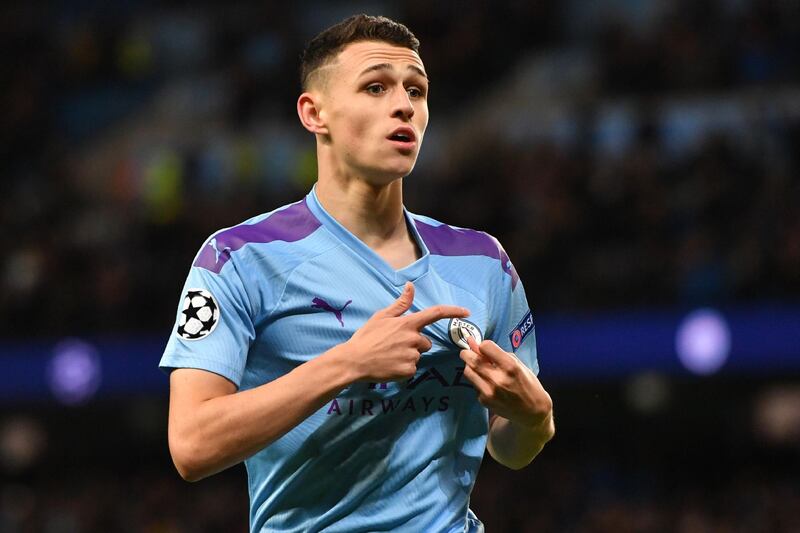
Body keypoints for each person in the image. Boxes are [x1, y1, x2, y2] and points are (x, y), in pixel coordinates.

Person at [160, 14, 554, 533]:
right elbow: (192, 445)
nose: (403, 105)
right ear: (313, 112)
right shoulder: (239, 257)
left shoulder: (482, 261)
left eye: (417, 91)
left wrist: (534, 418)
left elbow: (510, 449)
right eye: (375, 87)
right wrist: (348, 364)